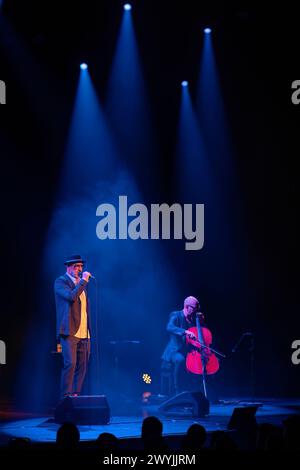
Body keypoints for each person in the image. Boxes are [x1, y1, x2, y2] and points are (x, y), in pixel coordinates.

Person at [54, 254, 93, 398]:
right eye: (76, 266)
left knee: (82, 366)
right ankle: (66, 396)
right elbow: (71, 297)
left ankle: (76, 395)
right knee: (70, 364)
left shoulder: (81, 284)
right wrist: (83, 281)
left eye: (81, 266)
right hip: (69, 330)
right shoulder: (61, 282)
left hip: (84, 332)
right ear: (68, 267)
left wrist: (89, 329)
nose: (79, 269)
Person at [161, 296, 200, 395]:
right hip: (174, 351)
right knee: (180, 359)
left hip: (186, 351)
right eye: (194, 309)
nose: (195, 311)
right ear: (187, 307)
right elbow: (169, 327)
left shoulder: (192, 320)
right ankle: (177, 391)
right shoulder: (176, 315)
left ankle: (197, 391)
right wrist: (185, 331)